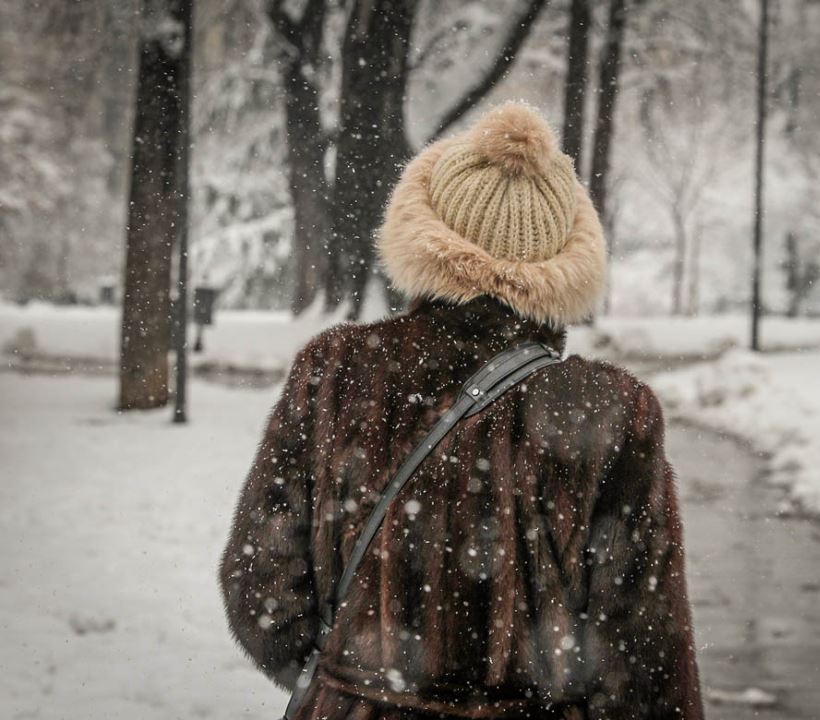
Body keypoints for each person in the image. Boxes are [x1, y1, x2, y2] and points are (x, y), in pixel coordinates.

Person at [219, 102, 703, 720]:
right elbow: (645, 656)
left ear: (419, 239)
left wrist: (351, 678)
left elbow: (262, 590)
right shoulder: (609, 410)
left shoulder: (336, 371)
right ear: (566, 266)